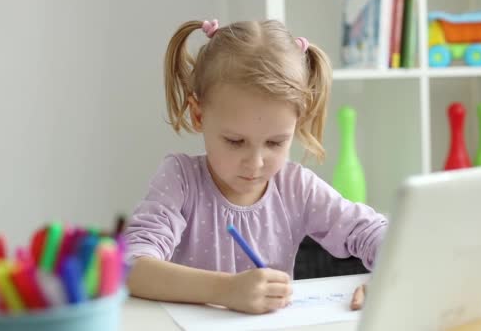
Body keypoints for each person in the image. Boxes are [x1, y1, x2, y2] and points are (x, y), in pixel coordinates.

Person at [124, 18, 387, 314]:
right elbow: (132, 267)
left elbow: (375, 232)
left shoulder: (296, 186)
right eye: (235, 141)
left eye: (275, 143)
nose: (256, 163)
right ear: (199, 116)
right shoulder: (181, 180)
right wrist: (226, 290)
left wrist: (390, 281)